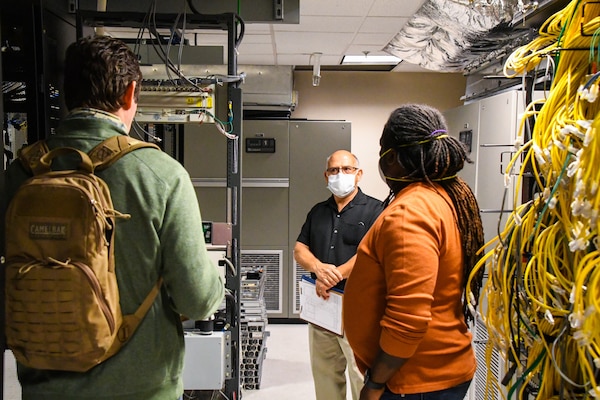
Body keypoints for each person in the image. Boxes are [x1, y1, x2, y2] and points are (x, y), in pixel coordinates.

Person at [3, 35, 225, 400]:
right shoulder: (161, 174)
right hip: (141, 388)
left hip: (45, 388)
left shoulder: (21, 173)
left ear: (67, 93)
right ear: (129, 94)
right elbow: (196, 299)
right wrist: (218, 288)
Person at [343, 104, 485, 400]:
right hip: (430, 372)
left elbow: (407, 321)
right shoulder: (444, 196)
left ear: (392, 157)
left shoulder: (410, 214)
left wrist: (374, 384)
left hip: (414, 381)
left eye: (383, 149)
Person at [294, 149, 384, 400]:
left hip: (359, 311)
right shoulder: (318, 212)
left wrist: (332, 278)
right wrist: (318, 269)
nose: (340, 174)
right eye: (334, 170)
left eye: (346, 169)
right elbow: (300, 249)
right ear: (326, 175)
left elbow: (371, 254)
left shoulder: (376, 211)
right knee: (325, 378)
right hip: (322, 309)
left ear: (359, 175)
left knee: (360, 379)